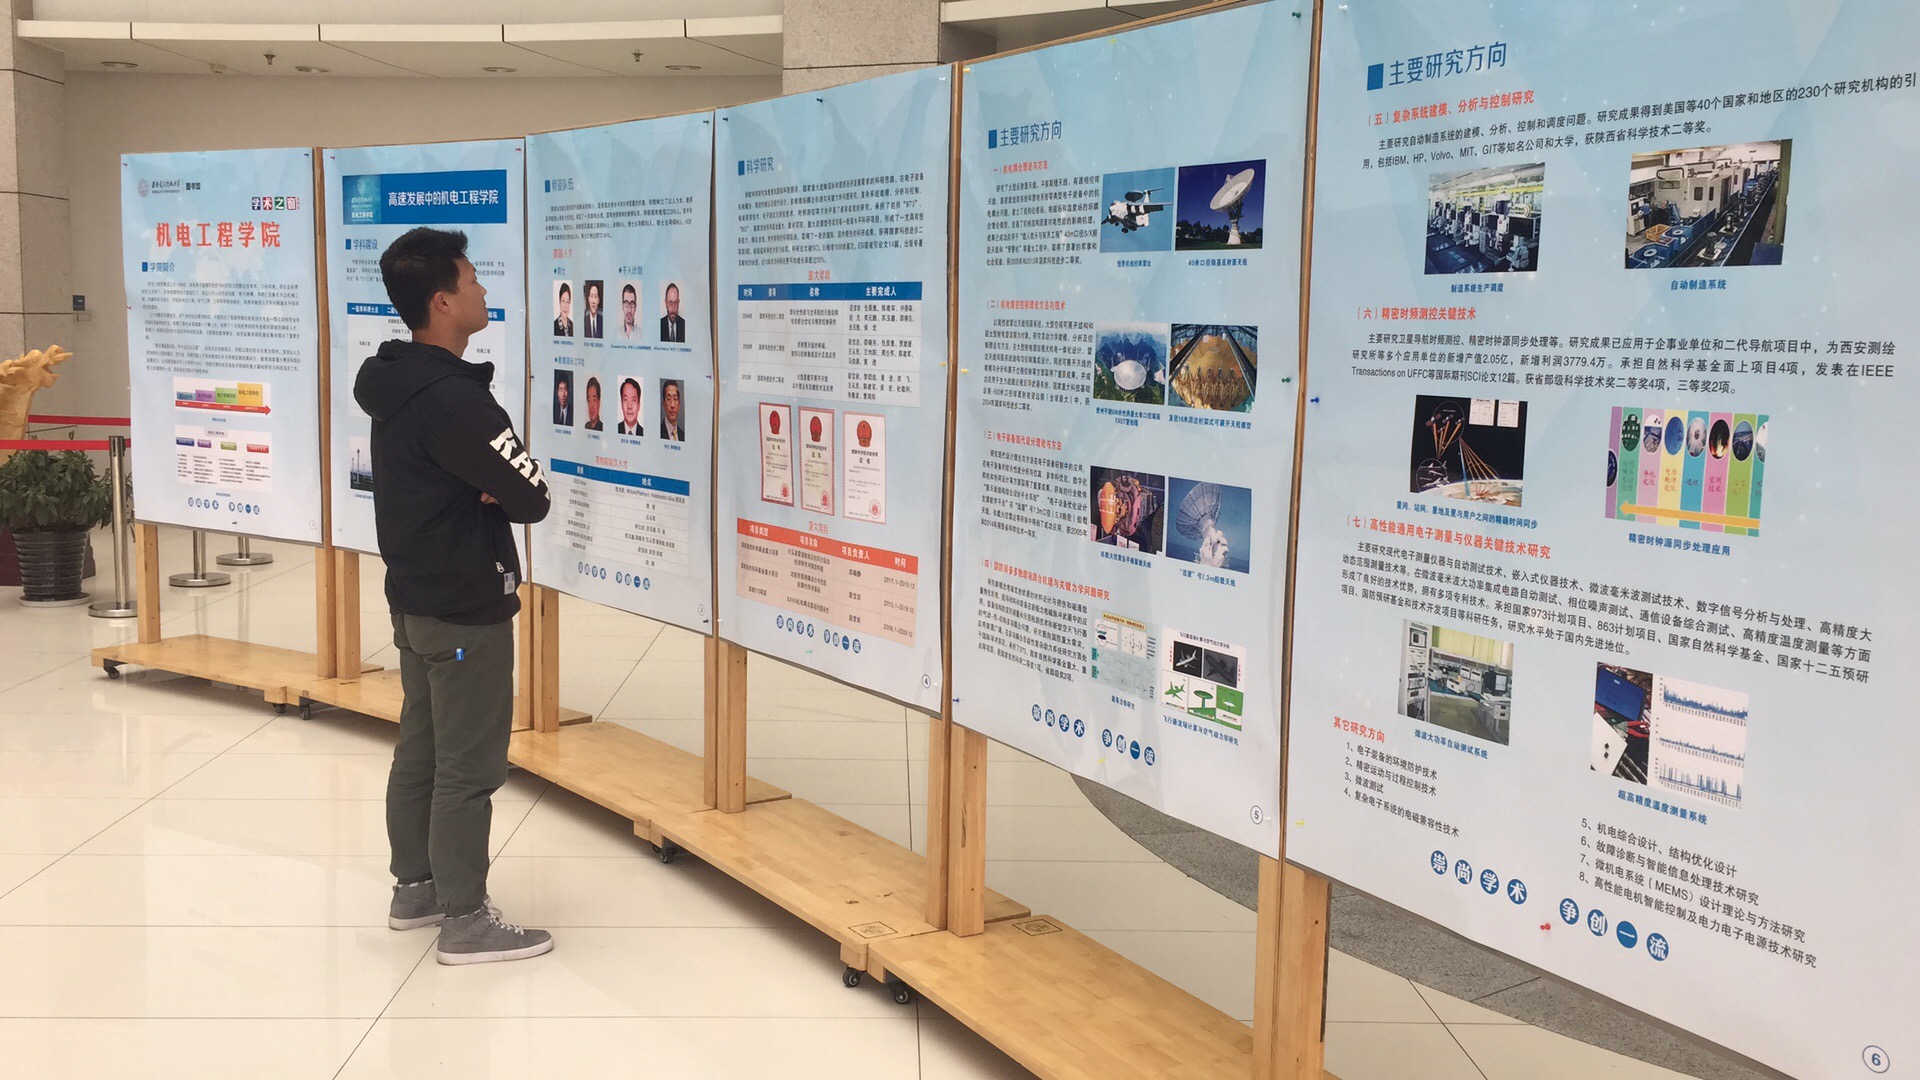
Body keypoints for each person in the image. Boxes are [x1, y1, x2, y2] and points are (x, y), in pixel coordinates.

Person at [353, 226, 555, 966]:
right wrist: (489, 490)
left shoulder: (394, 382)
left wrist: (484, 486)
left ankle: (416, 889)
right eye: (471, 280)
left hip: (414, 600)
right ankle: (465, 919)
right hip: (466, 604)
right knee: (469, 766)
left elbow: (497, 485)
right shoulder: (458, 402)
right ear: (442, 301)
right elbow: (531, 495)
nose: (482, 289)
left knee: (422, 748)